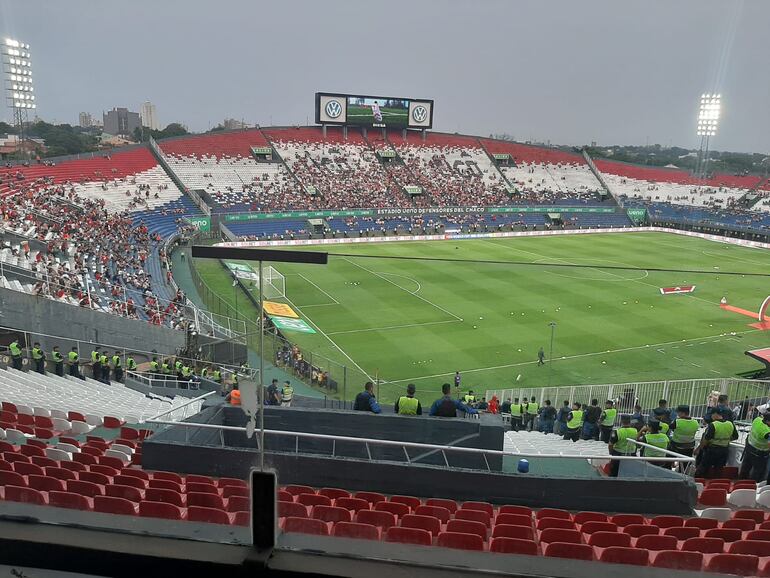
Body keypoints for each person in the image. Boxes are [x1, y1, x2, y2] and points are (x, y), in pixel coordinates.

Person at [694, 411, 738, 478]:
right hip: (724, 450)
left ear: (715, 414)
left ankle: (698, 483)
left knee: (703, 469)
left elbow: (706, 440)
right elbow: (735, 436)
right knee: (718, 471)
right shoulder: (730, 424)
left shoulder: (713, 425)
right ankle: (715, 485)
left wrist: (699, 449)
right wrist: (725, 441)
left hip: (712, 450)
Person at [738, 411, 770, 482]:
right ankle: (751, 486)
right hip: (759, 454)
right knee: (757, 472)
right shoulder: (766, 431)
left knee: (745, 468)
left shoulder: (757, 420)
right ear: (768, 421)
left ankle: (740, 484)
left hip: (749, 448)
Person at [669, 405, 699, 474]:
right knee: (684, 466)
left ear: (682, 413)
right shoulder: (695, 422)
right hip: (689, 447)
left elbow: (671, 427)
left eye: (678, 412)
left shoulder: (677, 421)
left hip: (676, 446)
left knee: (668, 459)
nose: (677, 414)